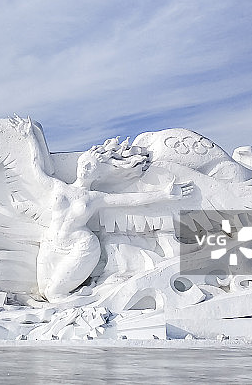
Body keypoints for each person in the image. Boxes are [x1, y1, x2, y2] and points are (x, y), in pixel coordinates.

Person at [12, 116, 193, 301]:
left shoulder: (95, 198)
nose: (85, 168)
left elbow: (130, 199)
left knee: (54, 294)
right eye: (83, 163)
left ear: (97, 173)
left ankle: (96, 301)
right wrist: (30, 137)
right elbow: (37, 169)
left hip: (81, 246)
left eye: (90, 166)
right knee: (43, 291)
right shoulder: (59, 187)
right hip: (51, 243)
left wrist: (164, 194)